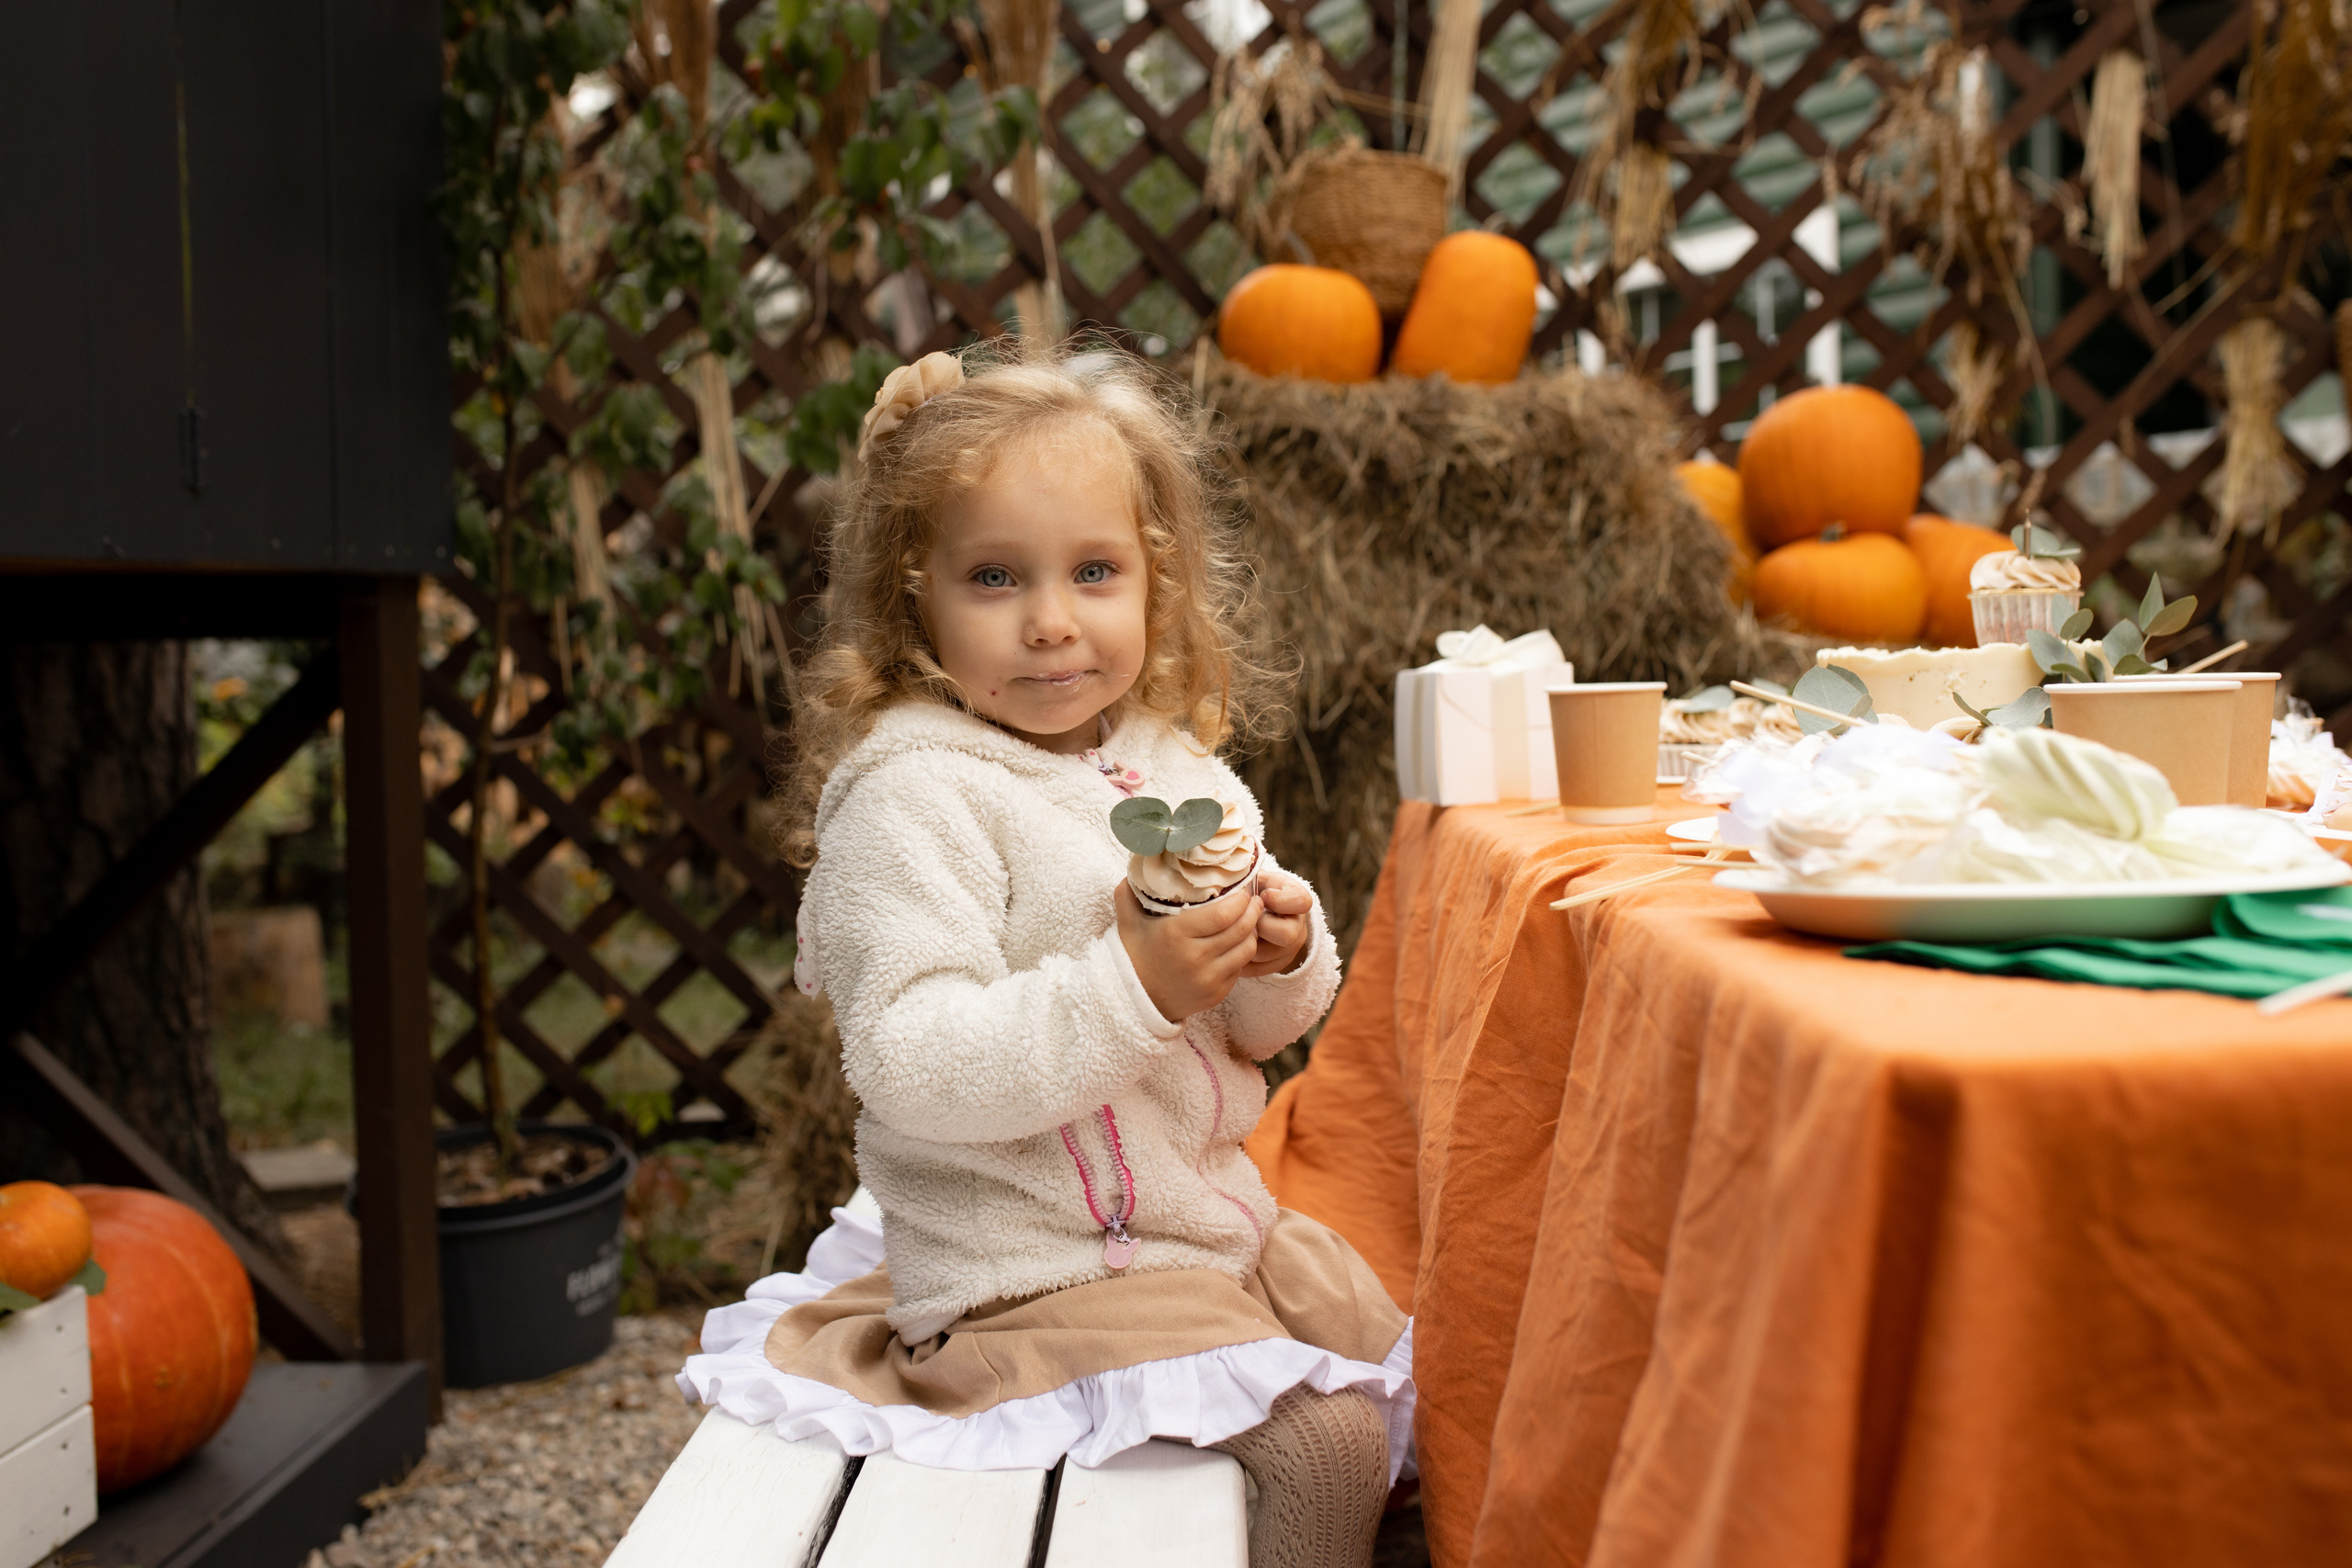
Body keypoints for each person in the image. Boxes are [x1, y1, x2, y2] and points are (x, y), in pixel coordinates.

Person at [681, 342, 1411, 1568]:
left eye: (1092, 572)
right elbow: (911, 1063)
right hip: (1032, 1268)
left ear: (1155, 583)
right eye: (995, 578)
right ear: (916, 598)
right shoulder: (914, 797)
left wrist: (1278, 955)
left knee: (1421, 1382)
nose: (1052, 622)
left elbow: (1253, 1037)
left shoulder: (1178, 773)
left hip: (1200, 1227)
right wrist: (1133, 988)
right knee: (1328, 1446)